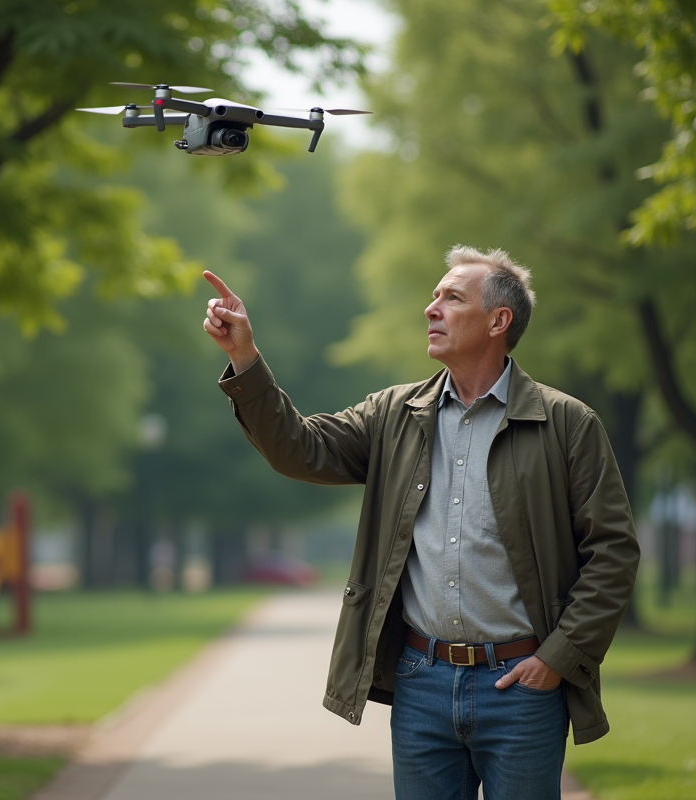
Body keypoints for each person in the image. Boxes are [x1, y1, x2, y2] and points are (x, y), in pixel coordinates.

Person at [202, 245, 639, 800]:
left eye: (451, 298)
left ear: (498, 321)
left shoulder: (567, 424)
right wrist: (246, 361)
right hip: (420, 684)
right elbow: (299, 448)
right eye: (434, 296)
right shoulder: (394, 414)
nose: (430, 308)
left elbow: (614, 553)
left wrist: (556, 659)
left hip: (522, 687)